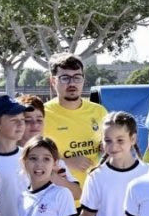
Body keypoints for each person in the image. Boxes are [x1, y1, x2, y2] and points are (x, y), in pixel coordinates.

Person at [42, 53, 108, 203]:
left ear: (83, 80)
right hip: (60, 201)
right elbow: (29, 157)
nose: (72, 83)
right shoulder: (43, 115)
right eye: (65, 78)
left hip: (96, 200)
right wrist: (66, 162)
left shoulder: (99, 111)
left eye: (77, 77)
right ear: (53, 81)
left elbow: (108, 148)